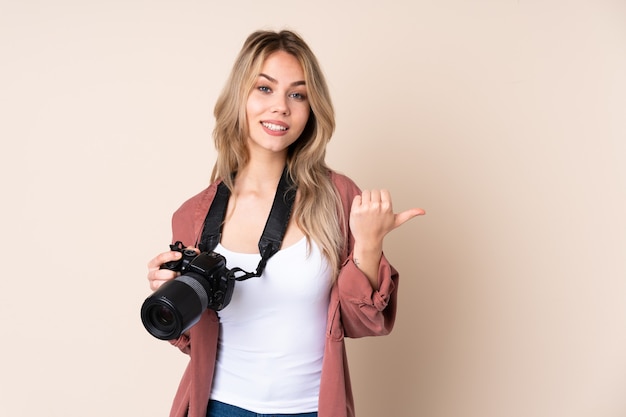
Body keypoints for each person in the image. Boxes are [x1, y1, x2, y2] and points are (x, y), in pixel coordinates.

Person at [146, 29, 425, 417]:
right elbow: (193, 339)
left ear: (312, 109)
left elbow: (364, 322)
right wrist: (172, 295)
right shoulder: (193, 215)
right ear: (239, 97)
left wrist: (369, 246)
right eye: (264, 89)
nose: (280, 107)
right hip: (220, 407)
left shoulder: (338, 198)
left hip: (311, 408)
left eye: (297, 94)